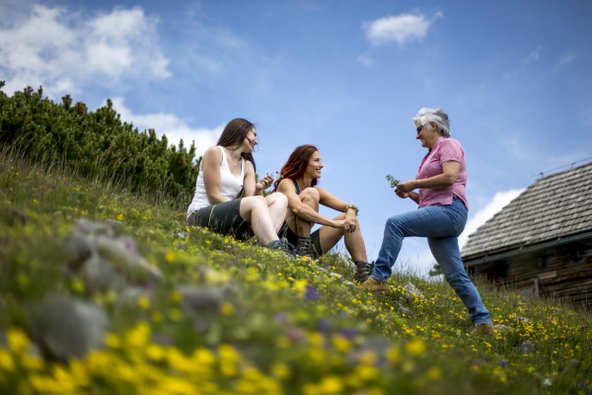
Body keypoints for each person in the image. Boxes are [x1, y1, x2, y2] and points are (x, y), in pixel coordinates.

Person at [360, 108, 494, 335]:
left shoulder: (449, 145)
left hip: (451, 210)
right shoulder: (429, 155)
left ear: (433, 126)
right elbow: (430, 197)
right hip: (440, 211)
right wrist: (412, 194)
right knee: (455, 274)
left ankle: (378, 278)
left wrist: (413, 183)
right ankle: (483, 322)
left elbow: (450, 177)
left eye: (419, 129)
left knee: (395, 224)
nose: (417, 135)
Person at [186, 118, 292, 254]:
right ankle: (276, 247)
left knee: (280, 198)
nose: (256, 141)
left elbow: (253, 201)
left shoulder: (247, 165)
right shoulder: (215, 153)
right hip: (201, 215)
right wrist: (243, 206)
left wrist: (259, 189)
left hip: (229, 222)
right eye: (254, 134)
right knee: (257, 202)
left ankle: (268, 246)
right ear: (241, 131)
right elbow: (213, 196)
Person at [273, 144, 373, 281]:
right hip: (284, 241)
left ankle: (364, 274)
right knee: (311, 193)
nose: (322, 165)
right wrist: (334, 223)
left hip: (307, 248)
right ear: (303, 162)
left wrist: (350, 214)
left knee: (348, 217)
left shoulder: (317, 191)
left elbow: (350, 207)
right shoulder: (287, 183)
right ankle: (302, 251)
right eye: (316, 160)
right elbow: (297, 208)